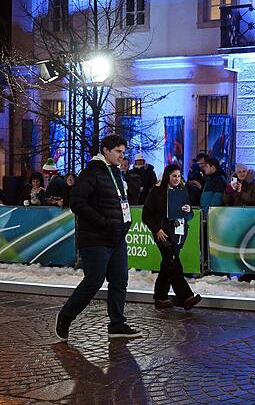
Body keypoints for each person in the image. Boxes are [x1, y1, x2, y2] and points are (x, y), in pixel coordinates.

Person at [55, 134, 142, 340]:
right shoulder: (91, 173)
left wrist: (123, 224)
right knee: (93, 281)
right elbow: (77, 203)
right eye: (118, 151)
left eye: (123, 152)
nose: (122, 156)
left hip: (117, 236)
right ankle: (66, 316)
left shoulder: (116, 173)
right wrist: (103, 222)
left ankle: (117, 324)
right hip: (95, 238)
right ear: (105, 151)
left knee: (120, 280)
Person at [142, 164, 202, 310]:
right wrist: (157, 229)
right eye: (174, 175)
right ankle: (185, 297)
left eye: (179, 176)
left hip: (178, 233)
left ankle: (160, 297)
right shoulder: (156, 192)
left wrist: (188, 211)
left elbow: (189, 215)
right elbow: (146, 215)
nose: (176, 178)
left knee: (167, 265)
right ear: (167, 176)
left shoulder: (182, 191)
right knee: (173, 262)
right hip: (163, 234)